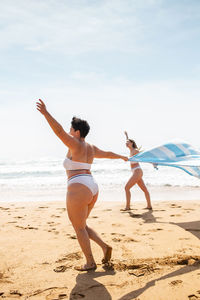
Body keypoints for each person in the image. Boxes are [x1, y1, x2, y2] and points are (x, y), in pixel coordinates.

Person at [36, 99, 128, 271]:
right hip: (92, 187)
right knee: (82, 225)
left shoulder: (75, 143)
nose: (69, 131)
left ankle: (90, 263)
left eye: (71, 129)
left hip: (78, 187)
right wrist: (122, 156)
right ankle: (104, 246)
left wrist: (45, 113)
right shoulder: (90, 147)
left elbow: (58, 131)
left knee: (78, 228)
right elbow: (107, 154)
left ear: (77, 132)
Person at [122, 131, 152, 211]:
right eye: (126, 142)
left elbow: (144, 157)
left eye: (127, 142)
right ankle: (149, 206)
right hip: (136, 171)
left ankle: (128, 207)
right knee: (144, 189)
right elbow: (128, 140)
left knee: (126, 187)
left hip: (137, 171)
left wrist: (152, 162)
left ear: (131, 143)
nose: (126, 143)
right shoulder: (131, 150)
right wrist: (126, 136)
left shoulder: (135, 150)